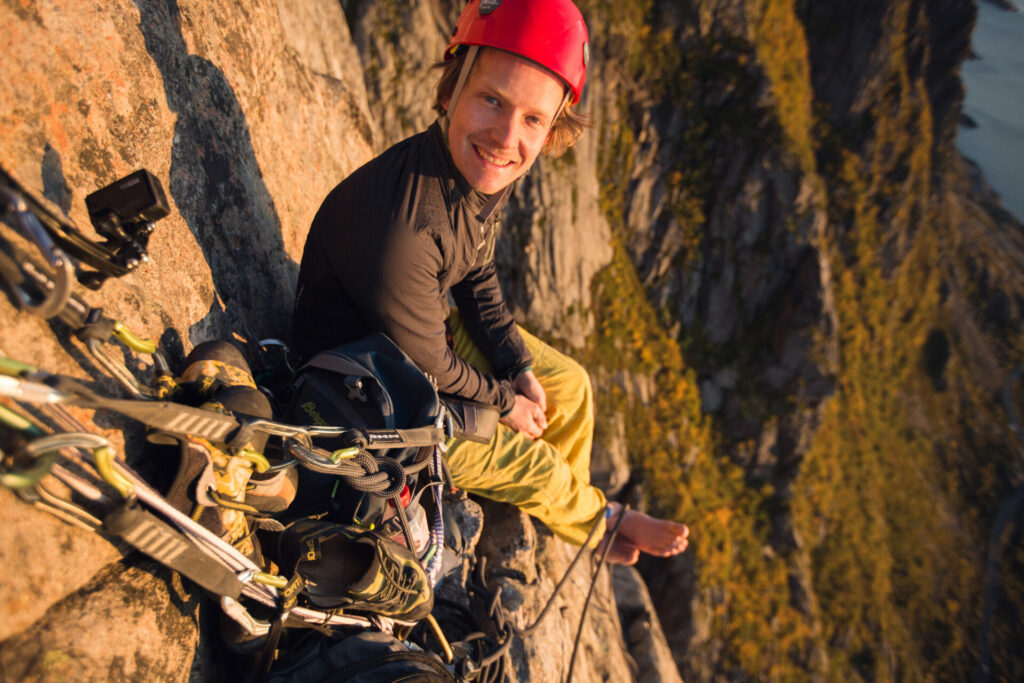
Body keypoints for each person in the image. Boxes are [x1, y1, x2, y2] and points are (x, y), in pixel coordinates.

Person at [293, 0, 688, 565]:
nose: (507, 137)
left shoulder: (472, 170)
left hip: (417, 341)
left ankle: (558, 504)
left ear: (552, 128)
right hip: (374, 399)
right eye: (492, 100)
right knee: (540, 461)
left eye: (533, 119)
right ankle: (598, 518)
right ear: (453, 88)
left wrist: (515, 365)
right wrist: (505, 402)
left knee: (571, 385)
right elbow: (428, 365)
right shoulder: (402, 225)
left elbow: (476, 273)